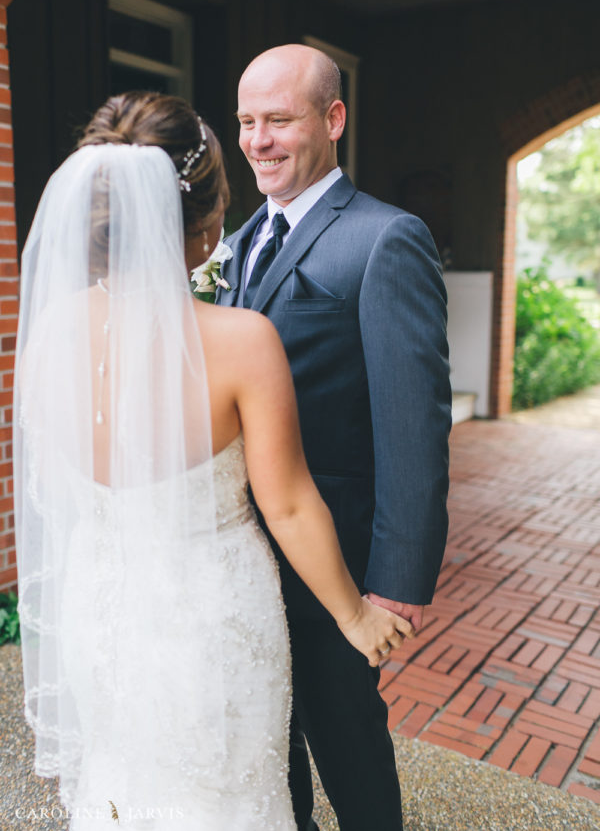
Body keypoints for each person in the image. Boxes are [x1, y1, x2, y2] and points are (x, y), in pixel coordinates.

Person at [13, 92, 415, 831]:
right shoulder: (240, 341)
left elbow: (51, 485)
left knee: (128, 788)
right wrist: (354, 616)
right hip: (211, 618)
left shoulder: (48, 335)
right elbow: (290, 504)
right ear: (203, 228)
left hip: (101, 609)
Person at [217, 44, 452, 830]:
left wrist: (398, 579)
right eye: (247, 122)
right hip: (244, 552)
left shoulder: (387, 238)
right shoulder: (241, 240)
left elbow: (414, 421)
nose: (258, 141)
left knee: (344, 735)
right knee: (267, 734)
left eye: (278, 120)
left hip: (336, 555)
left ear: (333, 119)